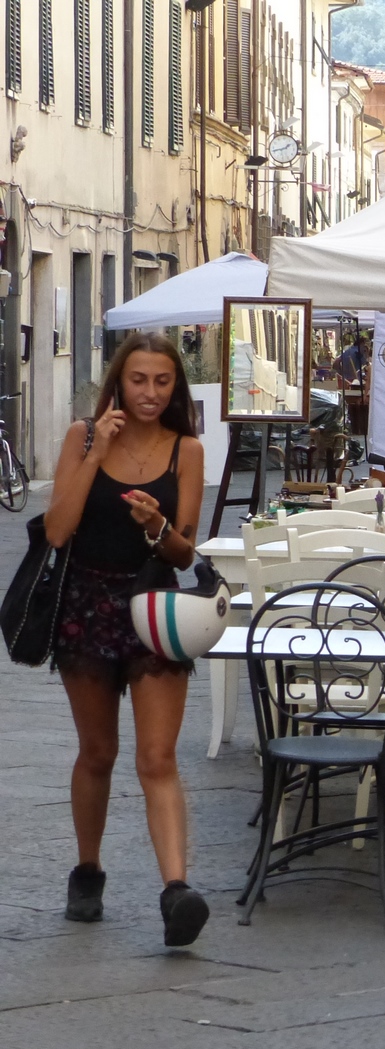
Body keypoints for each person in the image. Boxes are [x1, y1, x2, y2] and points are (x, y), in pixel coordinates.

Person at [45, 332, 209, 947]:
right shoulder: (81, 437)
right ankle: (87, 873)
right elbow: (58, 530)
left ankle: (176, 892)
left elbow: (185, 552)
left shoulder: (187, 450)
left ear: (175, 388)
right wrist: (97, 452)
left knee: (157, 758)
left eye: (161, 381)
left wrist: (158, 524)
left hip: (153, 610)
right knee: (97, 753)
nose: (149, 392)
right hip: (86, 606)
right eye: (138, 380)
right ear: (118, 383)